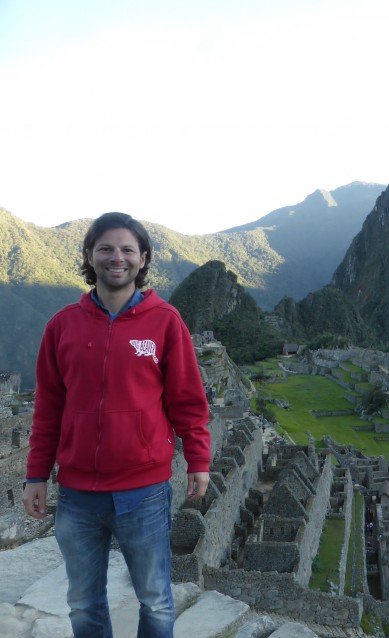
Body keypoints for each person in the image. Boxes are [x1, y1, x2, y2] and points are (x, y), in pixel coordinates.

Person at [22, 212, 211, 638]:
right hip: (77, 495)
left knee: (156, 599)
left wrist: (199, 459)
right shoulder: (62, 326)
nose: (116, 258)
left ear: (143, 258)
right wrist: (36, 475)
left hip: (142, 492)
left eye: (128, 249)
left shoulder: (164, 322)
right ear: (90, 255)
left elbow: (187, 399)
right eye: (106, 248)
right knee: (84, 602)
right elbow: (48, 408)